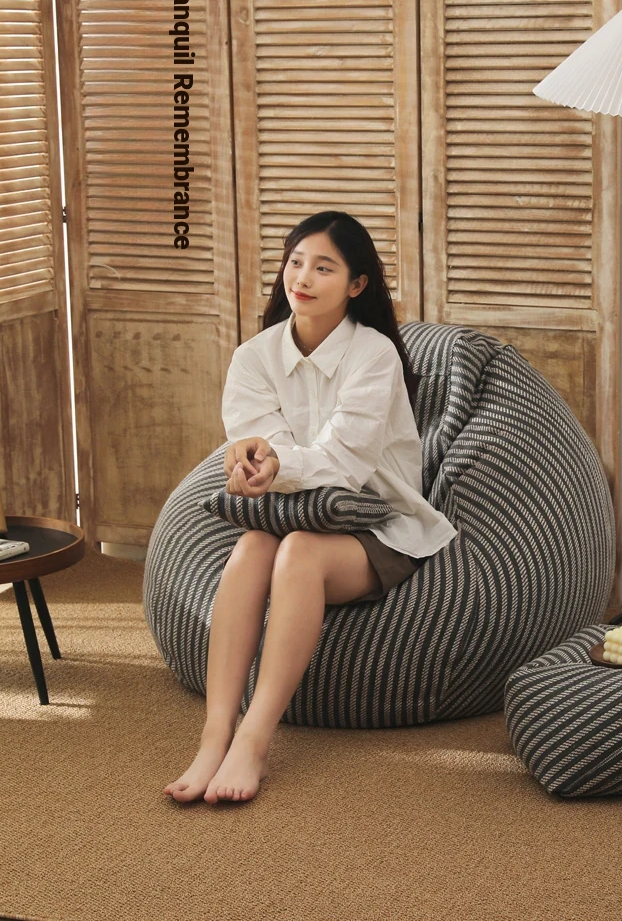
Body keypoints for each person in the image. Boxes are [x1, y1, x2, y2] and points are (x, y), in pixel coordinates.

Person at [164, 210, 458, 805]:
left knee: (297, 552)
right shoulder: (254, 357)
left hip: (382, 524)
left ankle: (253, 740)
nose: (303, 277)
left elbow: (344, 466)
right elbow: (261, 449)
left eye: (324, 268)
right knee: (252, 544)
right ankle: (214, 735)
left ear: (356, 284)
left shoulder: (374, 354)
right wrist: (251, 465)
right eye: (296, 262)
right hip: (293, 516)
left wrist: (276, 464)